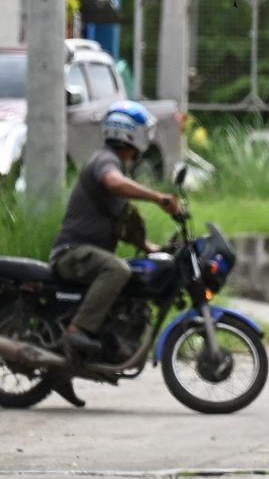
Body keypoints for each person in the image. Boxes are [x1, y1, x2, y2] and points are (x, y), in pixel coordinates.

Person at [50, 102, 181, 357]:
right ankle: (77, 331)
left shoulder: (116, 164)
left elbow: (124, 221)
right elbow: (113, 182)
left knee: (129, 272)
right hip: (72, 252)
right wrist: (157, 197)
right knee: (116, 269)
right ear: (130, 132)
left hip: (85, 254)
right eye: (145, 130)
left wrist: (148, 247)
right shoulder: (106, 160)